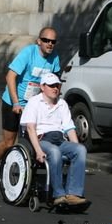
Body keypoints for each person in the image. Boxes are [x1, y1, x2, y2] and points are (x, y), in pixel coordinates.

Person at [0, 27, 61, 189]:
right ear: (39, 41)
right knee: (9, 143)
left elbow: (54, 82)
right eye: (46, 40)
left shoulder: (54, 58)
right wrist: (16, 102)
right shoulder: (28, 53)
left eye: (53, 42)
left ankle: (24, 178)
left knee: (33, 142)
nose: (50, 44)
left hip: (35, 106)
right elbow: (10, 76)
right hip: (13, 102)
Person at [20, 73, 89, 206]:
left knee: (80, 149)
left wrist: (76, 148)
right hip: (42, 139)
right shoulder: (34, 102)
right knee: (55, 152)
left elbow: (69, 128)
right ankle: (58, 194)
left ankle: (73, 194)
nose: (55, 88)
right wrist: (38, 151)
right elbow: (30, 128)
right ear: (42, 87)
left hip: (60, 139)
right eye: (51, 85)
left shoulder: (62, 104)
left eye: (57, 85)